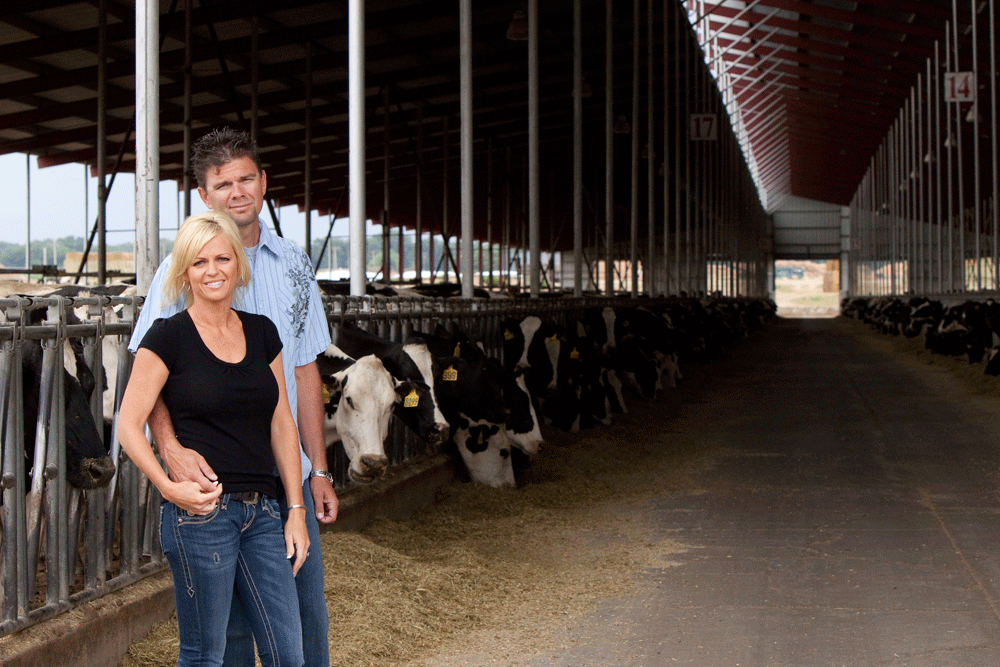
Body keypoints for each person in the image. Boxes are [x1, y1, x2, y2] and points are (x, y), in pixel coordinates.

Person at [128, 127, 336, 667]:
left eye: (247, 178)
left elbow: (306, 371)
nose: (237, 192)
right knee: (228, 636)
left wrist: (317, 472)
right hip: (214, 483)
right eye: (223, 183)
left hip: (282, 479)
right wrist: (170, 451)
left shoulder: (294, 266)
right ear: (204, 194)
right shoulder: (176, 276)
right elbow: (148, 383)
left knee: (304, 616)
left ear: (264, 182)